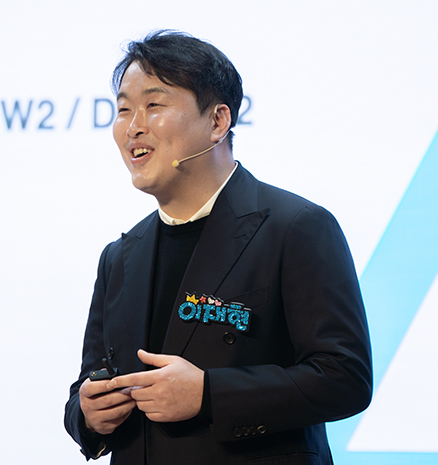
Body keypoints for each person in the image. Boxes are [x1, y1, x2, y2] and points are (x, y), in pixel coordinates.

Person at [64, 30, 372, 465]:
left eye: (154, 106)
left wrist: (210, 395)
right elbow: (86, 387)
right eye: (123, 110)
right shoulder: (120, 256)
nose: (133, 127)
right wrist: (88, 415)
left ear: (217, 121)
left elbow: (345, 377)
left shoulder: (296, 227)